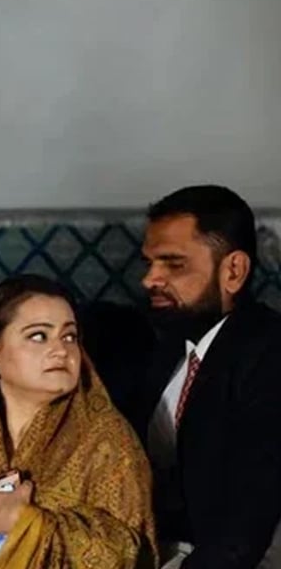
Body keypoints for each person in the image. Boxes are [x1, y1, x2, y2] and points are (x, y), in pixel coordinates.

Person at [0, 274, 155, 568]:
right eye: (38, 335)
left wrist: (29, 524)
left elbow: (128, 553)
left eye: (69, 336)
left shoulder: (105, 439)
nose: (60, 349)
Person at [133, 185, 281, 568]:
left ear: (233, 271)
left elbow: (245, 527)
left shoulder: (268, 357)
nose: (150, 279)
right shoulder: (167, 344)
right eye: (149, 263)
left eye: (173, 264)